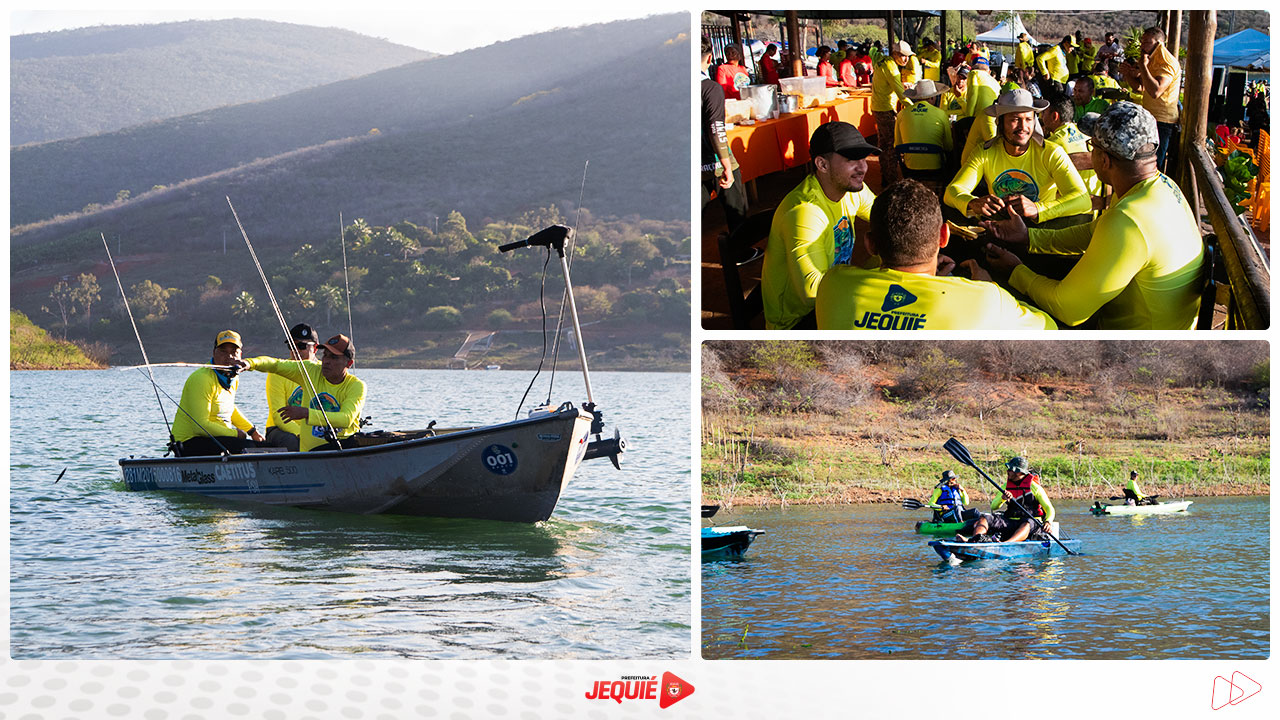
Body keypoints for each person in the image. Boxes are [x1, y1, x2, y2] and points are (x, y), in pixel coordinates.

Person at [980, 102, 1205, 329]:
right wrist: (1029, 238)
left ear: (1104, 160)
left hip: (1138, 350)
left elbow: (1068, 309)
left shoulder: (1128, 219)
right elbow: (1094, 230)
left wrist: (1015, 271)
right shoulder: (1161, 185)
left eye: (1092, 146)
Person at [814, 179, 1056, 330]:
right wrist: (990, 287)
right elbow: (1049, 327)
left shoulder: (832, 284)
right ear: (944, 237)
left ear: (870, 245)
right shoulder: (986, 300)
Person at [762, 122, 880, 330]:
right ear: (822, 165)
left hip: (833, 294)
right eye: (852, 159)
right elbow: (812, 293)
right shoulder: (805, 212)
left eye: (863, 158)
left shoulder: (851, 189)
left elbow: (887, 217)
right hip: (798, 322)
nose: (862, 167)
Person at [944, 88, 1090, 225]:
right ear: (1000, 123)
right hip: (1000, 228)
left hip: (1039, 231)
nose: (1023, 127)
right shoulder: (984, 152)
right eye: (1015, 119)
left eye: (1028, 119)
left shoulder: (1051, 152)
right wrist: (971, 202)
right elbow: (952, 192)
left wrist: (1038, 209)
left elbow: (1083, 200)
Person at [238, 334, 366, 452]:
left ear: (348, 363)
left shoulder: (356, 386)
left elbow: (346, 419)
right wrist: (250, 363)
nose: (326, 361)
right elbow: (276, 365)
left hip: (341, 449)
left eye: (334, 357)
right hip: (311, 453)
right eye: (325, 355)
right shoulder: (310, 371)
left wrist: (306, 413)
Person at [170, 330, 265, 456]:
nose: (229, 357)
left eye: (234, 352)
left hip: (216, 438)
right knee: (250, 447)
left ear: (240, 355)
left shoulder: (232, 378)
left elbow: (229, 408)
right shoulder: (202, 379)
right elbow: (201, 426)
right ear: (214, 353)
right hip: (190, 441)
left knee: (264, 447)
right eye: (223, 352)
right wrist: (236, 434)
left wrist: (252, 431)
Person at [701, 37, 748, 235]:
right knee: (737, 208)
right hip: (713, 160)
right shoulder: (709, 87)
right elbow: (716, 127)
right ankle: (741, 250)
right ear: (710, 58)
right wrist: (726, 164)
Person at [1118, 27, 1181, 171]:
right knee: (1143, 160)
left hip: (1163, 121)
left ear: (1159, 43)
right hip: (1150, 116)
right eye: (1142, 41)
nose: (1142, 45)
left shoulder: (1165, 62)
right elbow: (1141, 88)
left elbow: (1156, 91)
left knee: (1154, 163)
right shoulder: (1151, 59)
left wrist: (1143, 67)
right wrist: (1128, 74)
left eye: (1147, 41)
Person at [959, 456, 1056, 543]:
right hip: (1010, 521)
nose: (1007, 471)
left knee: (1027, 522)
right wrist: (1002, 499)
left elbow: (1049, 508)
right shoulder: (1006, 486)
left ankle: (1006, 544)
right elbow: (994, 506)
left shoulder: (1035, 488)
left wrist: (1048, 521)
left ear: (1019, 472)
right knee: (985, 517)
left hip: (1031, 524)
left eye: (1010, 469)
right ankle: (975, 540)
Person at [262, 322, 319, 452]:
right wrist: (302, 434)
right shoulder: (278, 373)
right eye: (291, 346)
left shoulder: (322, 371)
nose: (296, 351)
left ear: (315, 348)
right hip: (280, 429)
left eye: (301, 346)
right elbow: (279, 416)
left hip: (313, 429)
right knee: (294, 442)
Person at [1041, 89, 1102, 203]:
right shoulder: (1087, 135)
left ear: (1055, 116)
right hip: (1096, 211)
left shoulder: (1052, 145)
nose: (1041, 118)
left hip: (1068, 211)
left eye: (1043, 113)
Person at [871, 40, 915, 185]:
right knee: (891, 146)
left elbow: (888, 83)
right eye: (903, 56)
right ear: (895, 54)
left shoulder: (883, 61)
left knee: (883, 144)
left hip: (878, 107)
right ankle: (891, 181)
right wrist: (914, 107)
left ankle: (885, 176)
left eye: (908, 56)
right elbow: (901, 94)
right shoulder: (892, 68)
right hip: (886, 109)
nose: (906, 59)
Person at [894, 79, 954, 175]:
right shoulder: (941, 114)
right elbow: (949, 146)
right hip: (936, 166)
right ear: (932, 98)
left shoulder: (902, 114)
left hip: (910, 167)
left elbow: (897, 144)